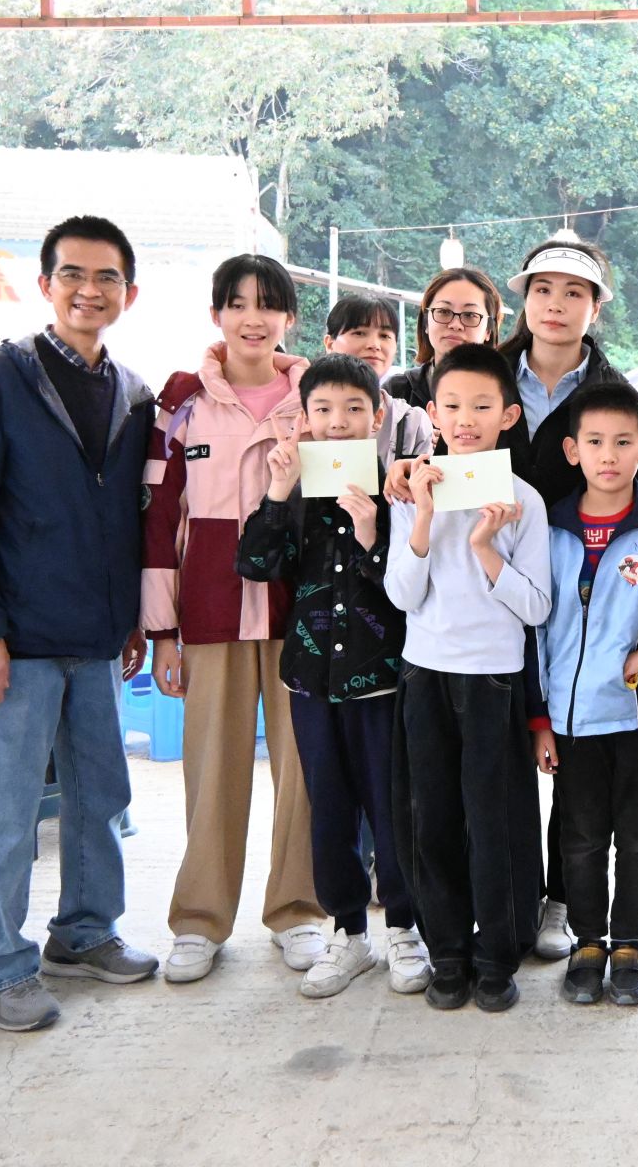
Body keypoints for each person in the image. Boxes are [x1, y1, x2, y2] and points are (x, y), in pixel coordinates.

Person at [385, 236, 638, 960]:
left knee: (571, 752)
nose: (556, 305)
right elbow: (434, 424)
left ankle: (555, 900)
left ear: (596, 307)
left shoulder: (609, 386)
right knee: (500, 773)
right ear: (521, 299)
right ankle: (483, 912)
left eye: (575, 292)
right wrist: (402, 465)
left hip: (564, 592)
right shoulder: (487, 375)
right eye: (543, 289)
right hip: (479, 602)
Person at [0, 214, 158, 1031]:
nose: (90, 291)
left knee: (101, 796)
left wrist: (129, 617)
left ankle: (85, 932)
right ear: (45, 284)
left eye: (107, 278)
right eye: (73, 275)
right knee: (4, 810)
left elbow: (126, 518)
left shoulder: (132, 394)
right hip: (13, 642)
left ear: (129, 293)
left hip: (96, 637)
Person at [142, 254, 328, 986]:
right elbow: (161, 520)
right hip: (211, 612)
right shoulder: (182, 404)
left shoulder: (319, 398)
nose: (254, 318)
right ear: (216, 314)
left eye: (268, 304)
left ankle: (299, 909)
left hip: (299, 613)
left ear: (289, 317)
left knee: (303, 769)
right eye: (238, 303)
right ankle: (199, 920)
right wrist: (162, 632)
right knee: (211, 771)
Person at [233, 353, 432, 999]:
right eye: (323, 409)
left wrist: (372, 532)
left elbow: (407, 588)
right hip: (312, 682)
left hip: (381, 681)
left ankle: (403, 927)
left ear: (377, 416)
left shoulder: (398, 485)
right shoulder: (294, 488)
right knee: (329, 809)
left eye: (353, 408)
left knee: (392, 807)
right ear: (305, 417)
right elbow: (256, 565)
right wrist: (278, 490)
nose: (338, 420)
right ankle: (348, 932)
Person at [384, 342, 553, 1012]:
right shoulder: (412, 491)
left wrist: (485, 546)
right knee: (431, 818)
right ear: (432, 413)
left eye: (482, 406)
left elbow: (536, 607)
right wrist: (425, 517)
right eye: (452, 405)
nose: (465, 418)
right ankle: (448, 951)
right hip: (425, 673)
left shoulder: (523, 500)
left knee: (496, 821)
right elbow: (403, 595)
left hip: (493, 680)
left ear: (508, 415)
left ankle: (497, 955)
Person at [528, 381, 638, 1007]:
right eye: (594, 442)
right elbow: (534, 629)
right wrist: (540, 719)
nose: (609, 455)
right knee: (582, 837)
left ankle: (629, 945)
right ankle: (587, 942)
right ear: (573, 451)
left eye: (623, 442)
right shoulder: (549, 528)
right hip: (571, 718)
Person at [323, 292, 435, 463]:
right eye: (359, 333)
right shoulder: (302, 414)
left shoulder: (413, 422)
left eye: (384, 336)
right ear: (330, 344)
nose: (374, 345)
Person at [385, 267, 502, 412]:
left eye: (470, 315)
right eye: (444, 312)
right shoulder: (397, 392)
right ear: (426, 323)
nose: (455, 325)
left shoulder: (506, 392)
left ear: (488, 331)